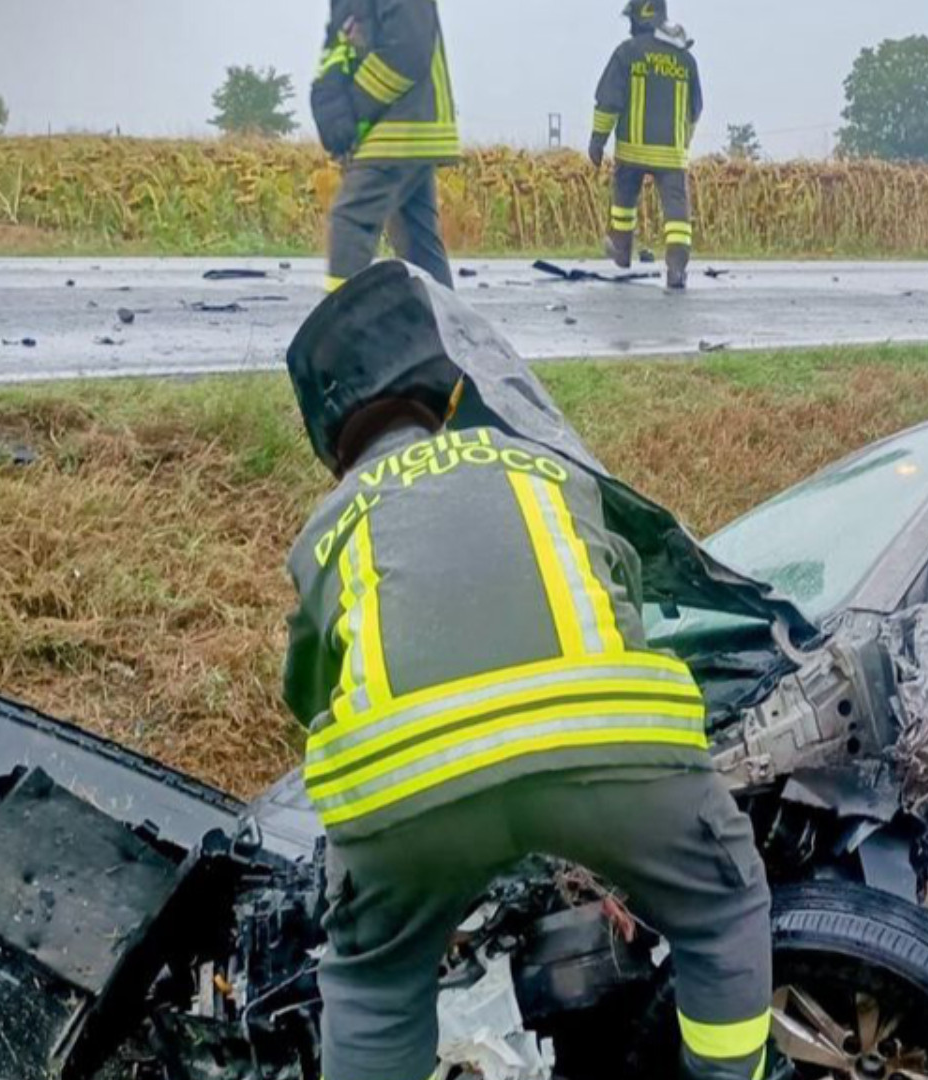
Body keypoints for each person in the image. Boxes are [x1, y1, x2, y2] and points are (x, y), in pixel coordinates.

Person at [281, 262, 776, 1080]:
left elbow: (307, 693)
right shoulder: (543, 465)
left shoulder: (328, 525)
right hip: (605, 749)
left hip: (412, 790)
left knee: (374, 987)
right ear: (447, 397)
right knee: (723, 908)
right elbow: (625, 588)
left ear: (334, 444)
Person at [310, 0, 458, 292]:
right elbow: (342, 50)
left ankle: (343, 330)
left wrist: (352, 107)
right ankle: (442, 330)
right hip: (401, 126)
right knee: (418, 242)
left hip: (400, 126)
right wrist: (331, 104)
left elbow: (409, 49)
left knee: (350, 221)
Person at [592, 0, 704, 289]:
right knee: (677, 212)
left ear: (641, 18)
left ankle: (621, 250)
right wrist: (684, 143)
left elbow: (608, 103)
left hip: (633, 151)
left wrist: (597, 141)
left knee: (624, 198)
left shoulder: (627, 54)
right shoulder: (685, 59)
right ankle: (677, 267)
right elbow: (695, 109)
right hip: (673, 154)